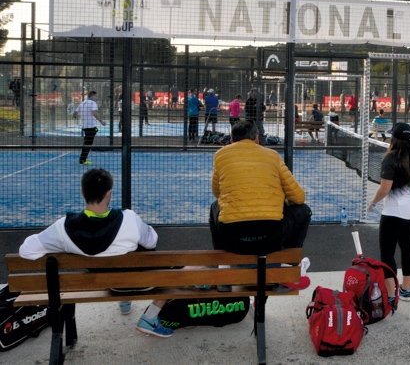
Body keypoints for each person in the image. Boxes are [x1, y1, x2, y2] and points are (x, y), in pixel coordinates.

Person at [18, 169, 173, 338]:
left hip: (101, 282)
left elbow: (26, 251)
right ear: (109, 193)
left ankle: (123, 300)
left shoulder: (63, 228)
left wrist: (62, 243)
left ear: (82, 192)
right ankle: (150, 317)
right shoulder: (129, 219)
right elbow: (152, 241)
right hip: (137, 281)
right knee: (168, 269)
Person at [209, 120, 312, 288]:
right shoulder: (272, 156)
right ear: (256, 138)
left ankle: (223, 266)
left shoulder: (220, 155)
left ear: (232, 140)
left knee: (215, 207)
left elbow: (217, 192)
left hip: (232, 239)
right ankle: (288, 264)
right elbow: (299, 198)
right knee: (304, 211)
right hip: (270, 239)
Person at [368, 122, 410, 302]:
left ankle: (392, 295)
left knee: (387, 253)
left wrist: (373, 202)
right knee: (408, 249)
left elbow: (385, 189)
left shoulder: (390, 158)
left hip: (393, 213)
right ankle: (406, 291)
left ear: (393, 138)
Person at [74, 91, 106, 165]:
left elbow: (75, 112)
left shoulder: (83, 103)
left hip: (85, 126)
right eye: (96, 96)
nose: (96, 98)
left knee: (88, 140)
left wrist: (75, 116)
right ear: (92, 95)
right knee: (88, 143)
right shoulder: (93, 103)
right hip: (90, 126)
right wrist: (101, 121)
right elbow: (94, 112)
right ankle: (83, 159)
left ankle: (83, 158)